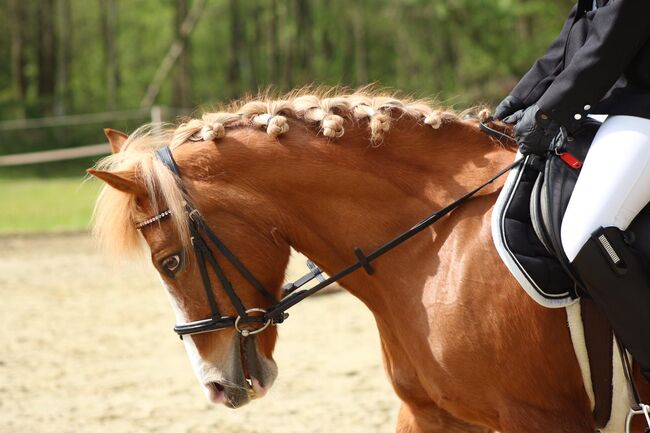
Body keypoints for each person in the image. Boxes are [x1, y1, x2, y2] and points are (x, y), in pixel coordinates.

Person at [493, 0, 650, 380]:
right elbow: (580, 29)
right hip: (615, 103)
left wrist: (549, 112)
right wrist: (522, 98)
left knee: (587, 230)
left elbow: (616, 35)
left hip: (643, 106)